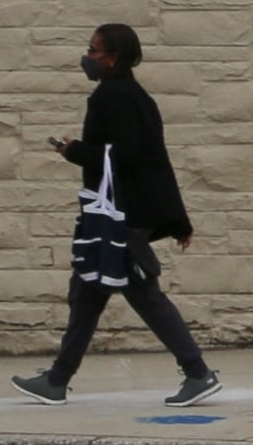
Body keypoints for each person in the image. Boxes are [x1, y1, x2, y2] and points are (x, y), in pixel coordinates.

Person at [12, 22, 221, 406]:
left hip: (119, 216)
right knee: (87, 292)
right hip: (114, 213)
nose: (87, 58)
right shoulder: (130, 95)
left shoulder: (116, 97)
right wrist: (178, 220)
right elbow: (154, 159)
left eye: (94, 51)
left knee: (142, 296)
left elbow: (129, 157)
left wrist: (73, 150)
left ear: (113, 57)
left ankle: (197, 372)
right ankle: (57, 381)